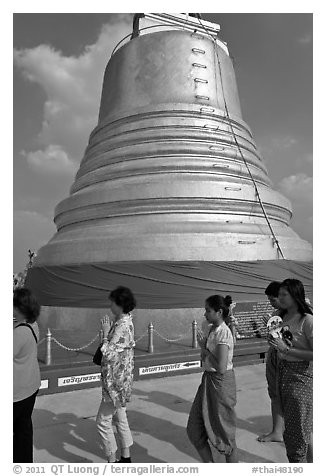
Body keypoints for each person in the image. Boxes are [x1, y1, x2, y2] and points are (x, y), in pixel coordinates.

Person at [187, 295, 238, 463]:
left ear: (219, 312)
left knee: (225, 434)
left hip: (220, 384)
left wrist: (205, 349)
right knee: (195, 429)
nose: (205, 314)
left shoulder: (223, 333)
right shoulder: (212, 330)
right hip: (208, 381)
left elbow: (221, 367)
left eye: (208, 311)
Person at [269, 279, 313, 463]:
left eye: (283, 295)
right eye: (278, 295)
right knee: (295, 428)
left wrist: (286, 350)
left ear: (295, 295)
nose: (279, 298)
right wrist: (273, 340)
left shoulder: (307, 320)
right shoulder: (279, 318)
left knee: (298, 432)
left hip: (301, 378)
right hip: (282, 374)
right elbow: (278, 344)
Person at [96, 286, 136, 463]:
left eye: (112, 302)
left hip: (115, 383)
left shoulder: (122, 326)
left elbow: (109, 353)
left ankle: (112, 460)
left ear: (120, 304)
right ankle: (125, 457)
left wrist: (105, 334)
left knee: (103, 422)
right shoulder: (122, 321)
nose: (110, 305)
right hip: (120, 380)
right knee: (120, 417)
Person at [13, 287, 41, 463]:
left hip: (16, 392)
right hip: (31, 387)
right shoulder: (33, 325)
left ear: (19, 308)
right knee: (23, 429)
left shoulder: (19, 333)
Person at [257, 281, 283, 443]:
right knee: (275, 394)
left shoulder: (298, 315)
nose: (271, 303)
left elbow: (290, 342)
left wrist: (274, 330)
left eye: (273, 300)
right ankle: (277, 431)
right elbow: (273, 340)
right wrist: (271, 329)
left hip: (289, 361)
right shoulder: (277, 314)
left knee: (292, 398)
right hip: (274, 358)